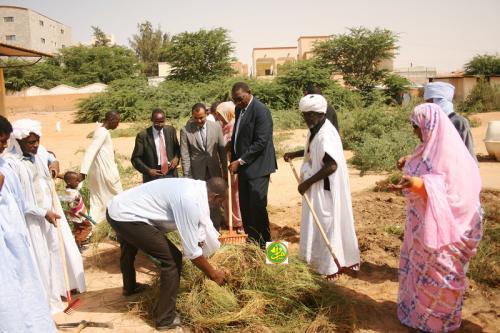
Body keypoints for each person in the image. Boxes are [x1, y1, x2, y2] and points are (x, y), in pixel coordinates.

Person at [390, 103, 482, 332]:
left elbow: (453, 193)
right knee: (420, 274)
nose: (414, 132)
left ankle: (440, 321)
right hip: (420, 229)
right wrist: (408, 165)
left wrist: (417, 183)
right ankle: (419, 317)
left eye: (416, 127)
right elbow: (423, 169)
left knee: (442, 275)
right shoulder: (428, 148)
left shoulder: (453, 156)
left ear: (429, 126)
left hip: (444, 233)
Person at [106, 177, 228, 330]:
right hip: (126, 215)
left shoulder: (196, 187)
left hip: (119, 208)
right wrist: (214, 274)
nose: (220, 205)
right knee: (172, 259)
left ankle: (129, 287)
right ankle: (165, 318)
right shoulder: (190, 201)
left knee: (130, 243)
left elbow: (196, 235)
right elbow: (192, 253)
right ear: (215, 197)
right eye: (220, 201)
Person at [3, 118, 86, 314]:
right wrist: (42, 212)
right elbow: (19, 199)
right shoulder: (11, 163)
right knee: (39, 256)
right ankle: (46, 299)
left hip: (49, 213)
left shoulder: (38, 153)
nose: (35, 145)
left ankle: (59, 290)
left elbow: (50, 156)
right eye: (30, 142)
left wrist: (54, 165)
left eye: (37, 141)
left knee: (53, 251)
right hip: (31, 219)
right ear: (18, 142)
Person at [284, 94, 360, 279]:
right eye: (304, 115)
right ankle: (314, 262)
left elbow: (331, 166)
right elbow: (312, 149)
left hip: (324, 190)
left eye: (310, 115)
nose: (306, 119)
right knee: (315, 226)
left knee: (325, 225)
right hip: (314, 188)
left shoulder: (326, 134)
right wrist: (294, 154)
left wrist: (307, 183)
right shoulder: (316, 128)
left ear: (320, 113)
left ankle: (329, 268)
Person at [0, 116, 56, 332]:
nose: (4, 146)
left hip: (16, 240)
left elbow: (20, 202)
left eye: (6, 141)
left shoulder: (5, 165)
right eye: (1, 141)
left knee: (24, 289)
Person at [229, 82, 277, 248]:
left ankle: (269, 250)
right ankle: (253, 244)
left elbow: (261, 141)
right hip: (244, 168)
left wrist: (240, 160)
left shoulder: (261, 110)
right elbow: (238, 134)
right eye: (235, 100)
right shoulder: (239, 109)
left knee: (257, 208)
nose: (238, 103)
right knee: (246, 207)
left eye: (240, 99)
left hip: (258, 167)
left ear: (249, 92)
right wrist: (232, 151)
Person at [180, 103, 227, 229]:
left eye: (201, 117)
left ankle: (215, 227)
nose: (199, 121)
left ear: (207, 114)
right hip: (196, 172)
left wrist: (225, 172)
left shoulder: (216, 127)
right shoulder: (185, 130)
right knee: (199, 201)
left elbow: (222, 151)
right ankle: (201, 228)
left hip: (214, 171)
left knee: (215, 200)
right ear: (192, 116)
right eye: (196, 118)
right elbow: (185, 156)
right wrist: (187, 177)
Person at [80, 110, 123, 223]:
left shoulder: (100, 130)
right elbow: (91, 151)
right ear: (111, 120)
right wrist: (83, 172)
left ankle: (91, 227)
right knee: (119, 199)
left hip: (99, 173)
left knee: (97, 202)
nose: (118, 125)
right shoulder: (102, 132)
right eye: (117, 122)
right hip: (106, 174)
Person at [424, 82, 475, 157]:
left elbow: (469, 152)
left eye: (429, 101)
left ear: (439, 101)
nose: (427, 106)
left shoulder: (460, 122)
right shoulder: (429, 122)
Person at [215, 101, 243, 232]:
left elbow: (237, 145)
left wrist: (229, 148)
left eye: (220, 114)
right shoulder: (222, 127)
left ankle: (239, 222)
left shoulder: (234, 126)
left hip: (234, 165)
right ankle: (229, 221)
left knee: (236, 195)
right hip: (224, 165)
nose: (218, 117)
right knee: (227, 194)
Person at [131, 108, 180, 183]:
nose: (160, 124)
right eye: (157, 122)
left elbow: (177, 148)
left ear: (165, 120)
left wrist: (176, 158)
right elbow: (136, 158)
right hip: (153, 175)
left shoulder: (171, 131)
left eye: (162, 122)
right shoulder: (143, 135)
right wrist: (148, 170)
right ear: (152, 120)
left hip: (171, 172)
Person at [61, 171, 94, 252]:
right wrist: (76, 201)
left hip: (78, 215)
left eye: (78, 180)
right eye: (76, 181)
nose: (78, 182)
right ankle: (79, 240)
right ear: (69, 182)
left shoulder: (71, 189)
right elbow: (71, 205)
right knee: (87, 227)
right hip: (78, 215)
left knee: (78, 230)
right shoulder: (70, 193)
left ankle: (78, 245)